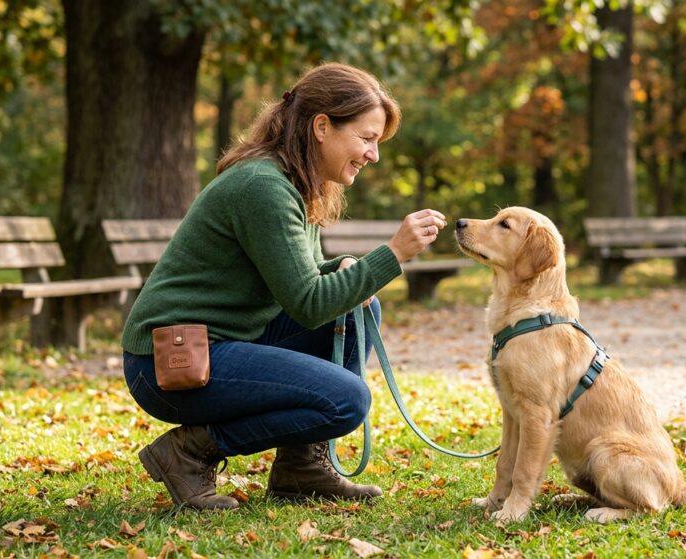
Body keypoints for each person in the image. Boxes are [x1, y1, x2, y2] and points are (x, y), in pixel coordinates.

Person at [120, 62, 446, 510]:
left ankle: (301, 468)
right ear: (322, 127)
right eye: (366, 138)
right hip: (170, 360)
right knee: (347, 401)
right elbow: (309, 304)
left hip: (227, 340)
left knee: (358, 311)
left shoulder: (293, 181)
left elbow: (304, 279)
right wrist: (392, 254)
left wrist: (343, 268)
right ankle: (189, 451)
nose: (373, 154)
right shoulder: (263, 186)